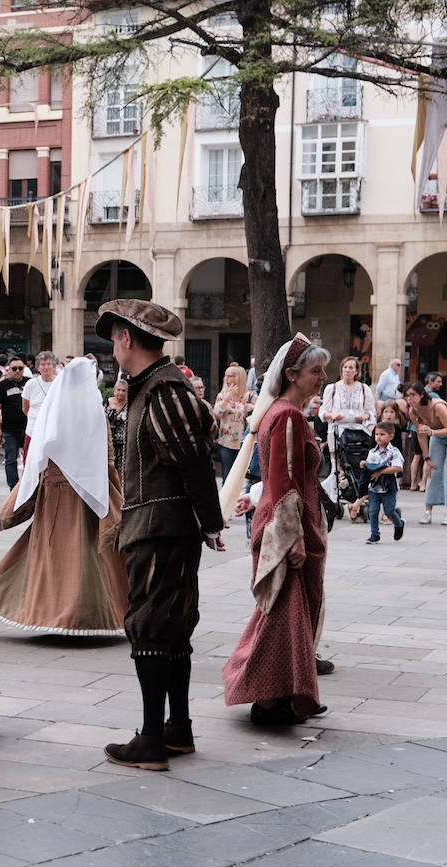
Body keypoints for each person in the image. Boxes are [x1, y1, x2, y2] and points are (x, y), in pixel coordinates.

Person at [96, 300, 223, 771]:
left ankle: (152, 739)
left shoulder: (164, 390)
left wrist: (210, 522)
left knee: (151, 626)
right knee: (171, 627)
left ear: (128, 338)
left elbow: (192, 462)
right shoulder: (151, 387)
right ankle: (178, 728)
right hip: (161, 525)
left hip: (160, 527)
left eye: (115, 339)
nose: (113, 349)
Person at [222, 334, 331, 726]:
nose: (323, 377)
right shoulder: (287, 415)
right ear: (292, 374)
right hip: (287, 527)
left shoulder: (285, 412)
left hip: (289, 522)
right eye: (316, 370)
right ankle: (266, 700)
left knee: (291, 614)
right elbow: (283, 480)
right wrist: (294, 537)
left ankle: (287, 695)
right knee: (281, 614)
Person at [0, 356, 127, 636]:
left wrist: (22, 498)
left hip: (54, 494)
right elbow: (108, 458)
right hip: (90, 495)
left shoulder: (53, 411)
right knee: (88, 552)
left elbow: (37, 458)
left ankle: (49, 611)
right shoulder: (94, 413)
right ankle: (84, 613)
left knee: (51, 551)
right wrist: (115, 494)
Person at [405, 380, 447, 526]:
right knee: (433, 472)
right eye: (407, 396)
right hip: (437, 437)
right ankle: (428, 511)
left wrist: (432, 432)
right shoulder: (413, 411)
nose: (409, 399)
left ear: (421, 395)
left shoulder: (437, 406)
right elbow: (420, 434)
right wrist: (426, 457)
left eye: (412, 395)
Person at [361, 421, 405, 544]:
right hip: (374, 487)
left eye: (382, 434)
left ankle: (399, 523)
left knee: (389, 510)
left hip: (388, 487)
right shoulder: (372, 452)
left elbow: (398, 467)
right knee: (373, 511)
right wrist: (364, 464)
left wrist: (381, 472)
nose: (378, 437)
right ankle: (374, 534)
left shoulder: (394, 452)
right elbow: (369, 466)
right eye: (376, 434)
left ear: (391, 436)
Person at [0, 357, 29, 488]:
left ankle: (27, 486)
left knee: (29, 459)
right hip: (9, 430)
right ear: (9, 369)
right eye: (14, 368)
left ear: (24, 369)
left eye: (20, 368)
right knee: (10, 459)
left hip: (28, 429)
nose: (17, 371)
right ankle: (13, 486)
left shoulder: (30, 383)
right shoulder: (2, 385)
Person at [213, 365, 251, 482]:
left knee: (241, 478)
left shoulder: (248, 396)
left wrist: (252, 407)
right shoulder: (222, 396)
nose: (226, 379)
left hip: (244, 442)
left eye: (230, 376)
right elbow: (216, 414)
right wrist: (226, 399)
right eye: (226, 376)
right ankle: (226, 500)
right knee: (227, 476)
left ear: (239, 378)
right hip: (226, 442)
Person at [21, 351, 59, 453]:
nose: (46, 367)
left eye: (49, 364)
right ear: (38, 367)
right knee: (30, 460)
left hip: (53, 430)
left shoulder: (59, 383)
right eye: (42, 364)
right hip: (33, 429)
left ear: (54, 366)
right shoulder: (31, 384)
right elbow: (25, 408)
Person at [105, 378, 129, 471]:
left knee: (120, 471)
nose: (121, 392)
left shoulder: (129, 406)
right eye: (118, 390)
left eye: (123, 390)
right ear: (114, 390)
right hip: (107, 443)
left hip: (122, 445)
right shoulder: (106, 403)